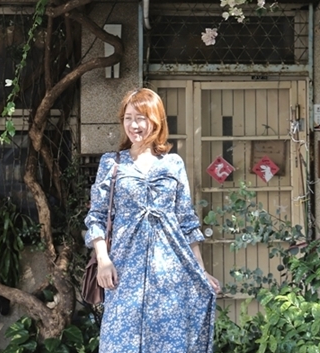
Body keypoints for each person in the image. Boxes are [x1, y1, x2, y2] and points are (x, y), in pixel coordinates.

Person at [85, 87, 221, 353]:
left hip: (170, 270)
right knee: (120, 342)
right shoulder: (111, 164)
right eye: (128, 117)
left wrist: (200, 270)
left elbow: (186, 221)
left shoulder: (173, 164)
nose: (134, 125)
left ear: (156, 120)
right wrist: (103, 260)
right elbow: (97, 216)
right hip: (123, 270)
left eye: (141, 118)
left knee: (167, 344)